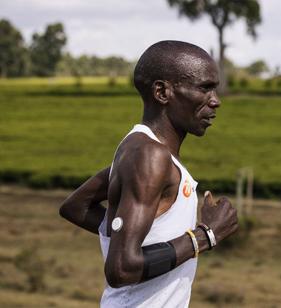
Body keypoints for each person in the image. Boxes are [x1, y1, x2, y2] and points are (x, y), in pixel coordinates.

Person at [59, 40, 238, 307]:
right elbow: (121, 269)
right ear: (162, 92)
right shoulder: (149, 156)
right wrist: (206, 235)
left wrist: (127, 232)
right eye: (205, 88)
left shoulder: (141, 152)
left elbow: (76, 206)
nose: (216, 101)